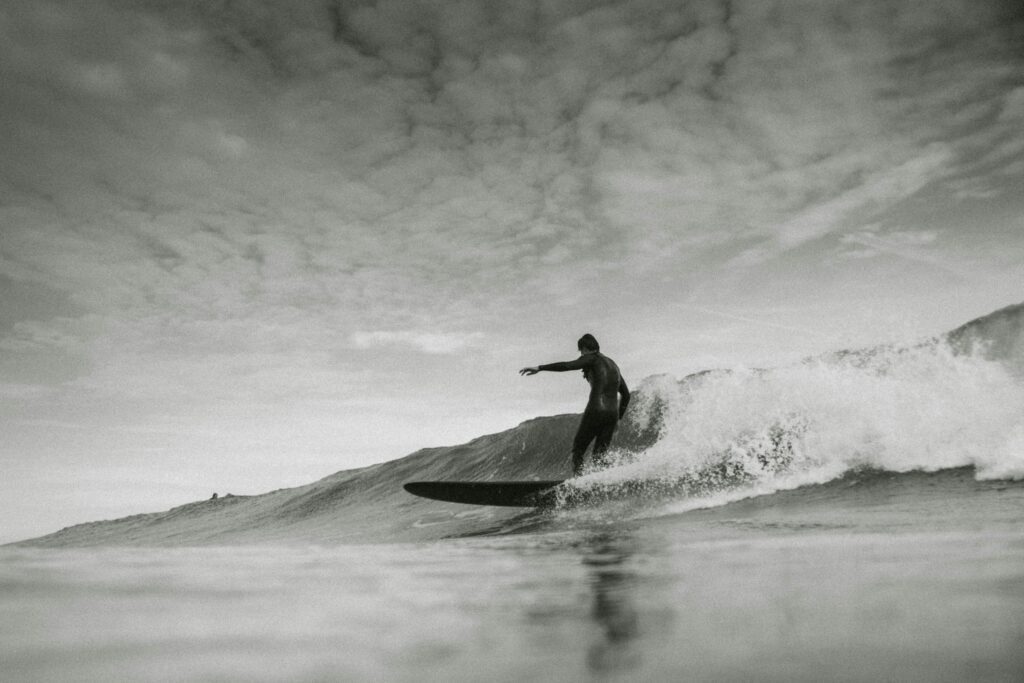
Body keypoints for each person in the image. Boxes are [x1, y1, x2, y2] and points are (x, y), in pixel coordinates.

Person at [520, 334, 630, 476]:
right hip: (612, 414)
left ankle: (578, 486)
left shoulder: (591, 358)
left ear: (584, 348)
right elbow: (626, 395)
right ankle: (603, 484)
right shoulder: (614, 365)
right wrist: (619, 419)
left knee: (578, 450)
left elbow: (567, 365)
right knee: (599, 456)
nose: (581, 354)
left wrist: (540, 368)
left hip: (596, 410)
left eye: (581, 351)